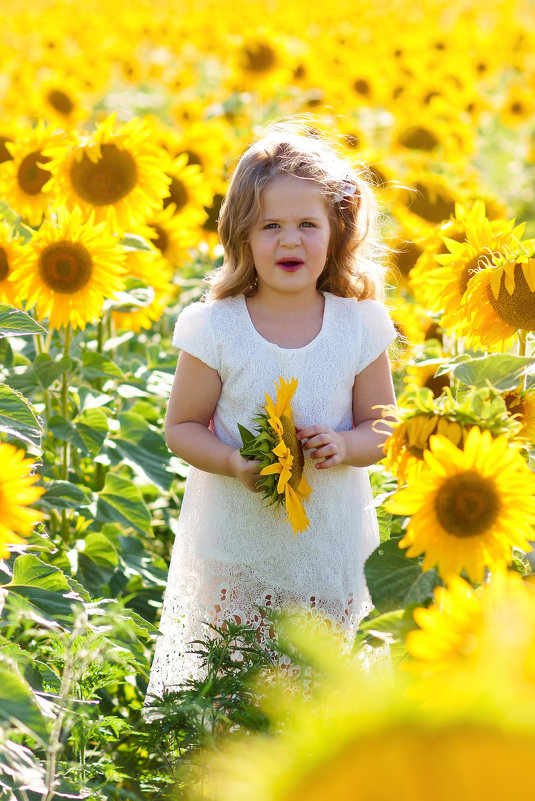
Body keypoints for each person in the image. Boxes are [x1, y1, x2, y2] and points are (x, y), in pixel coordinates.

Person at [145, 122, 397, 700]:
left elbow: (382, 424)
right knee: (235, 679)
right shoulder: (218, 328)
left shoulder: (357, 325)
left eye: (308, 225)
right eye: (271, 226)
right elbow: (181, 427)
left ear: (337, 231)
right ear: (242, 236)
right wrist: (234, 462)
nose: (291, 241)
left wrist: (346, 446)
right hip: (237, 541)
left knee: (321, 684)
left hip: (329, 541)